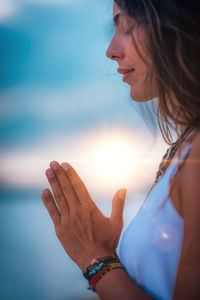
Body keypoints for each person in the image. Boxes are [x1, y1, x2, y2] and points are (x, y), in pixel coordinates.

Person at [41, 0, 200, 299]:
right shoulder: (187, 145)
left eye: (126, 25)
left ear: (176, 24)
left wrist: (94, 260)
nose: (111, 50)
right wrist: (109, 254)